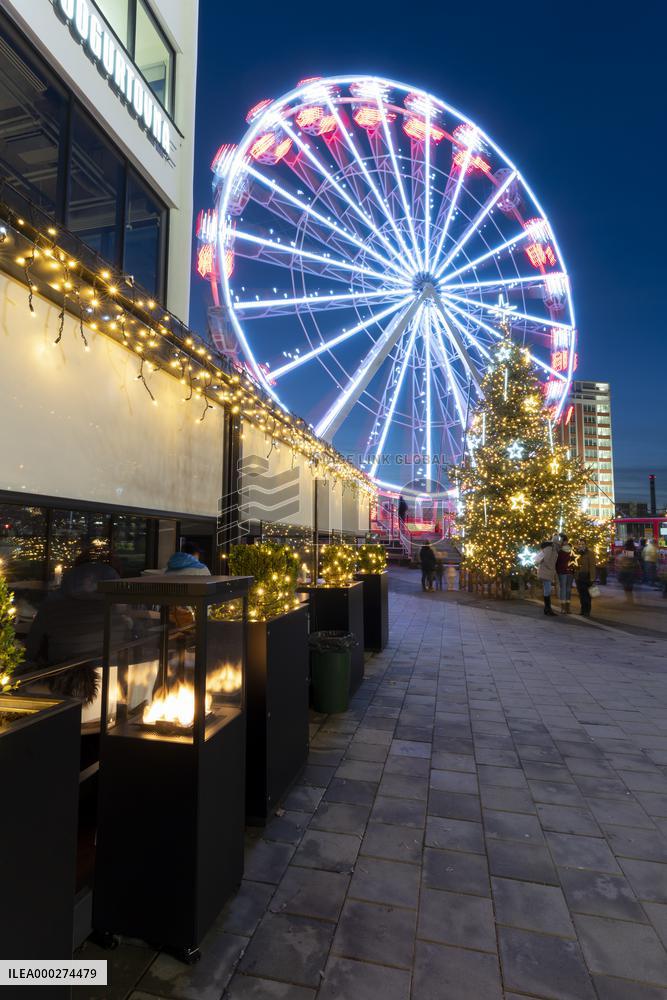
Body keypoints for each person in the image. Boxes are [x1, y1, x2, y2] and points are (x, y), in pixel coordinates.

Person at [25, 557, 120, 703]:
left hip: (62, 671)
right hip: (109, 670)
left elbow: (32, 645)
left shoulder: (54, 603)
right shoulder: (112, 605)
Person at [534, 538, 559, 616]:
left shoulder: (552, 548)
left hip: (546, 571)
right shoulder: (550, 548)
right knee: (547, 590)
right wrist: (552, 568)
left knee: (547, 589)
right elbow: (547, 560)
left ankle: (547, 609)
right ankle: (548, 609)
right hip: (546, 571)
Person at [575, 540, 597, 617]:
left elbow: (592, 566)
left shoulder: (590, 553)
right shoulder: (576, 553)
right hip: (578, 576)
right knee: (581, 594)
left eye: (583, 544)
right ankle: (582, 609)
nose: (581, 545)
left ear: (586, 545)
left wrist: (592, 578)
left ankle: (587, 610)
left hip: (586, 576)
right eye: (580, 544)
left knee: (587, 595)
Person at [555, 533, 575, 614]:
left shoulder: (559, 550)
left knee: (563, 588)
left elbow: (556, 562)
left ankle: (563, 608)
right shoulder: (572, 549)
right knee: (568, 589)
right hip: (570, 571)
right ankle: (567, 607)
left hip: (562, 571)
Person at [618, 537, 638, 602]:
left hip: (625, 569)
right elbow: (635, 560)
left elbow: (621, 558)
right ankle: (630, 598)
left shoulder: (627, 552)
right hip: (631, 570)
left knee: (626, 585)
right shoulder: (634, 551)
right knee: (629, 585)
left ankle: (629, 599)